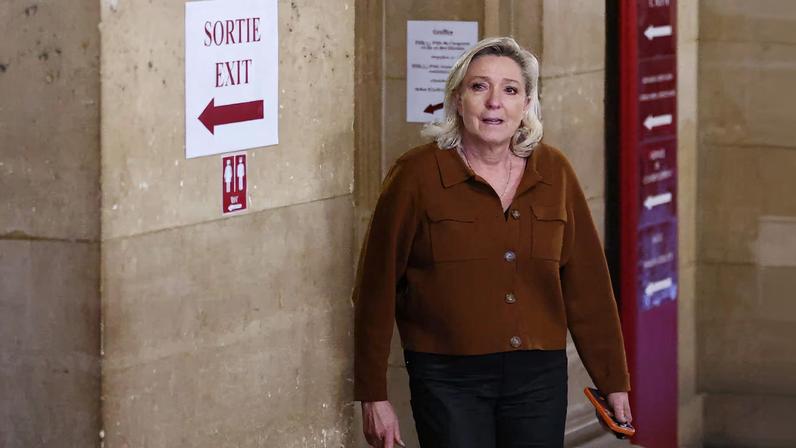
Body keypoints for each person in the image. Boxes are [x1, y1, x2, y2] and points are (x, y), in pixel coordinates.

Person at [353, 36, 632, 448]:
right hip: (447, 378)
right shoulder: (416, 175)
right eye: (479, 86)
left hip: (538, 378)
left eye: (511, 89)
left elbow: (588, 286)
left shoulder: (554, 171)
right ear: (457, 99)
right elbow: (375, 290)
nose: (494, 103)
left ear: (527, 104)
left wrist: (613, 380)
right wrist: (373, 395)